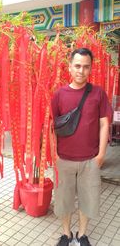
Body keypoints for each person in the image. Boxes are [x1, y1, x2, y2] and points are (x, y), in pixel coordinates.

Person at [51, 48, 112, 246]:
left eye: (86, 67)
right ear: (69, 67)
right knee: (63, 200)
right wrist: (54, 155)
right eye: (77, 66)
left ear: (90, 69)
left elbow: (104, 124)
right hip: (64, 159)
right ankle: (66, 234)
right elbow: (50, 127)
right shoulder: (59, 94)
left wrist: (101, 154)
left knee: (88, 199)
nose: (81, 71)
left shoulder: (98, 93)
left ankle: (82, 234)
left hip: (90, 159)